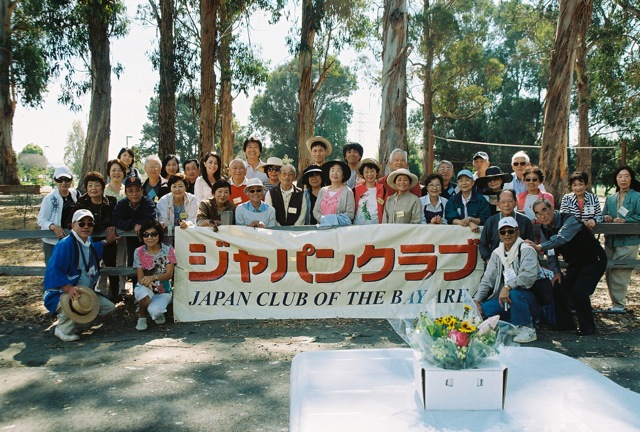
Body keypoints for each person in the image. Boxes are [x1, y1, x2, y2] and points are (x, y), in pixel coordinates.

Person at [526, 199, 607, 336]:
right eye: (538, 213)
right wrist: (556, 272)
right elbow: (551, 253)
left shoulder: (570, 220)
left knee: (578, 292)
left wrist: (539, 246)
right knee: (559, 286)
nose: (542, 216)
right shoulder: (544, 228)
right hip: (575, 264)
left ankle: (587, 327)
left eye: (544, 210)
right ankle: (565, 324)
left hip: (594, 261)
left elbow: (561, 238)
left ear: (552, 209)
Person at [43, 209, 119, 342]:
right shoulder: (65, 244)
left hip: (84, 291)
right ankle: (63, 330)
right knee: (72, 301)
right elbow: (53, 270)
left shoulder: (87, 241)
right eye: (81, 223)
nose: (86, 227)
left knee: (109, 308)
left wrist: (107, 241)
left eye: (90, 224)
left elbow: (93, 250)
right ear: (73, 226)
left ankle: (78, 325)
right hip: (62, 292)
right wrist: (68, 288)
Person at [474, 217, 539, 343]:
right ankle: (514, 324)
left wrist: (507, 287)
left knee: (514, 293)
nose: (507, 234)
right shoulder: (497, 253)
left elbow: (529, 275)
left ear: (517, 232)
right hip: (507, 299)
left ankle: (527, 328)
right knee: (485, 309)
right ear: (499, 234)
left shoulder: (526, 249)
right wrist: (477, 300)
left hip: (529, 297)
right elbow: (488, 279)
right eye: (503, 232)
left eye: (510, 231)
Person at [601, 165, 640, 314]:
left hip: (629, 241)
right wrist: (606, 217)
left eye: (626, 176)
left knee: (620, 272)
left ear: (631, 179)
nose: (623, 179)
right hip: (611, 240)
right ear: (616, 179)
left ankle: (619, 305)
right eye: (620, 176)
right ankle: (615, 303)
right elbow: (603, 214)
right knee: (609, 271)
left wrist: (626, 220)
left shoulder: (637, 196)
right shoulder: (611, 198)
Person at [75, 172, 118, 301]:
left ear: (103, 187)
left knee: (111, 267)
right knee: (89, 268)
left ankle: (114, 295)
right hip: (88, 241)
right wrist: (95, 227)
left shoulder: (111, 201)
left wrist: (91, 226)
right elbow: (72, 220)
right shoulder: (82, 202)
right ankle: (89, 295)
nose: (93, 188)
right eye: (90, 185)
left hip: (109, 240)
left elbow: (112, 220)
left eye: (97, 185)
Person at [133, 219, 177, 331]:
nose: (150, 238)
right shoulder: (138, 251)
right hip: (145, 286)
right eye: (146, 235)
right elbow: (140, 277)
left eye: (154, 234)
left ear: (159, 235)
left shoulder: (169, 249)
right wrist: (147, 283)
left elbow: (169, 274)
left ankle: (156, 311)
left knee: (155, 311)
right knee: (143, 294)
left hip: (163, 290)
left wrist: (153, 277)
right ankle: (142, 317)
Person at [112, 176, 158, 278]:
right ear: (125, 192)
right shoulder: (121, 204)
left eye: (137, 190)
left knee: (150, 268)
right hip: (131, 242)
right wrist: (133, 225)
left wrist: (141, 225)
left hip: (148, 241)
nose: (134, 194)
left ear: (142, 191)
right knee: (133, 267)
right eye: (130, 191)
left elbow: (151, 218)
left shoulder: (147, 202)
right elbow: (116, 220)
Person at [37, 166, 81, 265]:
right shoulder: (49, 198)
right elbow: (41, 219)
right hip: (52, 241)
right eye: (60, 180)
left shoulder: (76, 195)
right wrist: (53, 227)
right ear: (55, 181)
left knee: (71, 265)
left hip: (71, 239)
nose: (63, 183)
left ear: (71, 180)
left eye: (67, 179)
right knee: (53, 267)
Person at [479, 189, 534, 263]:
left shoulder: (525, 221)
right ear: (497, 203)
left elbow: (530, 243)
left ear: (516, 203)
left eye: (510, 201)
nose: (506, 205)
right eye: (503, 201)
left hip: (520, 261)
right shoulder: (491, 221)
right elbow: (483, 244)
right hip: (496, 261)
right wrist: (489, 260)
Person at [104, 159, 128, 297]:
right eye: (113, 170)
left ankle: (121, 288)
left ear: (124, 173)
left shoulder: (126, 190)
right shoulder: (104, 190)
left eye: (119, 170)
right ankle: (101, 288)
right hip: (107, 231)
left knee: (121, 258)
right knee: (105, 260)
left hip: (124, 231)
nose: (116, 173)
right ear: (109, 172)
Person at [156, 173, 197, 244]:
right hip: (168, 239)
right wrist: (163, 224)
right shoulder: (163, 200)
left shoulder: (192, 199)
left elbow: (193, 219)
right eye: (174, 186)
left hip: (187, 237)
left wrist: (187, 223)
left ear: (186, 187)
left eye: (180, 186)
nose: (177, 189)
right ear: (170, 188)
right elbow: (163, 219)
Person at [313, 160, 355, 226]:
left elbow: (350, 214)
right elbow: (316, 211)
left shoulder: (347, 191)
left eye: (338, 171)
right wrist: (322, 220)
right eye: (332, 170)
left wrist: (333, 220)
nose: (335, 173)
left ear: (343, 175)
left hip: (340, 229)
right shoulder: (323, 190)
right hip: (322, 227)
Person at [354, 158, 384, 225]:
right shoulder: (356, 190)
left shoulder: (382, 189)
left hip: (376, 226)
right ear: (362, 174)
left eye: (372, 171)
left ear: (376, 173)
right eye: (366, 172)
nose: (369, 174)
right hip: (358, 226)